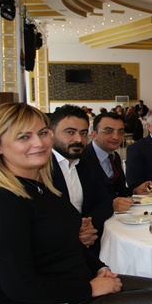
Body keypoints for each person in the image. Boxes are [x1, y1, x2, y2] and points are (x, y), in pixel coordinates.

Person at [0, 102, 152, 304]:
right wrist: (90, 288)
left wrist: (99, 269)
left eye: (42, 133)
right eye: (24, 137)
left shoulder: (41, 188)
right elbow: (20, 287)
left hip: (73, 285)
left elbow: (71, 243)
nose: (39, 143)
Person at [49, 105, 112, 256]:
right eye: (70, 132)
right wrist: (74, 231)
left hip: (90, 245)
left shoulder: (87, 165)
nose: (79, 139)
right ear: (51, 134)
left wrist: (88, 226)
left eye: (83, 133)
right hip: (54, 252)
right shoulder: (40, 168)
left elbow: (105, 202)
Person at [82, 112, 152, 213]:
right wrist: (109, 206)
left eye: (120, 132)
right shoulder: (82, 160)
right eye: (108, 131)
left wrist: (134, 191)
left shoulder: (115, 157)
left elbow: (117, 191)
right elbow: (81, 203)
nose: (116, 137)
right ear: (94, 134)